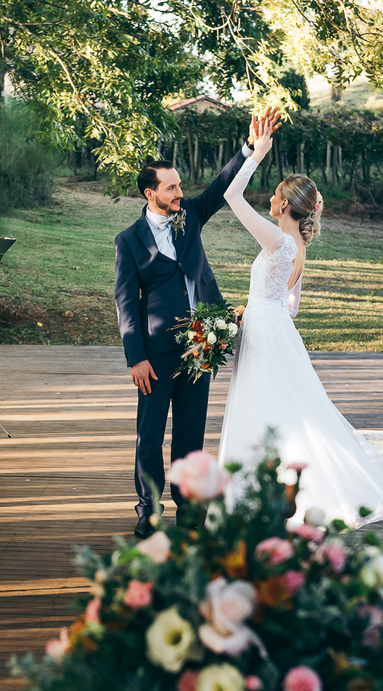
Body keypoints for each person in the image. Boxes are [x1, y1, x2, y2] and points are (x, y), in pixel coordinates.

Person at [217, 120, 383, 524]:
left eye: (275, 195)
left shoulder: (277, 240)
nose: (270, 199)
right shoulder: (299, 246)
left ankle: (256, 498)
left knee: (264, 408)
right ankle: (275, 490)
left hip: (266, 331)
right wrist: (253, 310)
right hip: (273, 328)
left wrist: (255, 155)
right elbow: (289, 305)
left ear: (287, 206)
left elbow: (230, 194)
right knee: (283, 409)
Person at [114, 110, 280, 538]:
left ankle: (189, 514)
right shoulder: (129, 241)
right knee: (149, 437)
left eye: (180, 185)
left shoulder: (189, 215)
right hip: (156, 354)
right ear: (150, 194)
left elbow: (219, 188)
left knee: (190, 438)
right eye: (171, 187)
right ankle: (148, 510)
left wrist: (247, 148)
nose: (179, 192)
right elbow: (126, 303)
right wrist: (136, 358)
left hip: (201, 347)